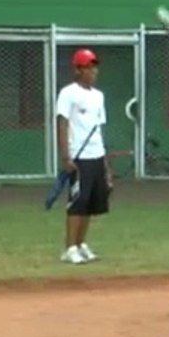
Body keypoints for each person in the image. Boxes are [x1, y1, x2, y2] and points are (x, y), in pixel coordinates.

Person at [55, 48, 112, 265]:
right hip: (79, 157)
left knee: (90, 204)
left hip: (96, 155)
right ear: (78, 70)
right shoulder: (68, 93)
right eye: (88, 67)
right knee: (77, 203)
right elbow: (63, 124)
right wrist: (65, 156)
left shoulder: (99, 96)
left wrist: (106, 167)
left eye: (94, 66)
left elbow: (99, 129)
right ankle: (69, 248)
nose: (93, 71)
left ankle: (81, 244)